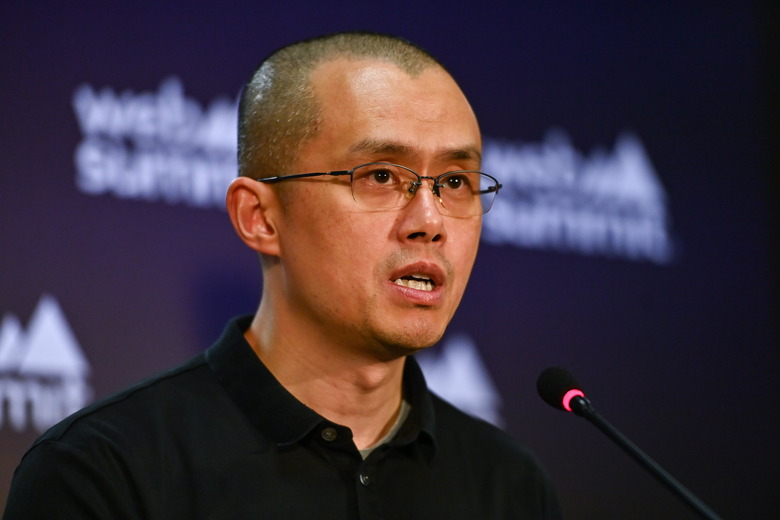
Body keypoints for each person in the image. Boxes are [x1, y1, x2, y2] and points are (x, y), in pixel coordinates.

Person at [3, 32, 562, 519]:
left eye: (457, 183)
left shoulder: (509, 487)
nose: (430, 222)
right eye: (382, 176)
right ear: (261, 217)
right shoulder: (104, 472)